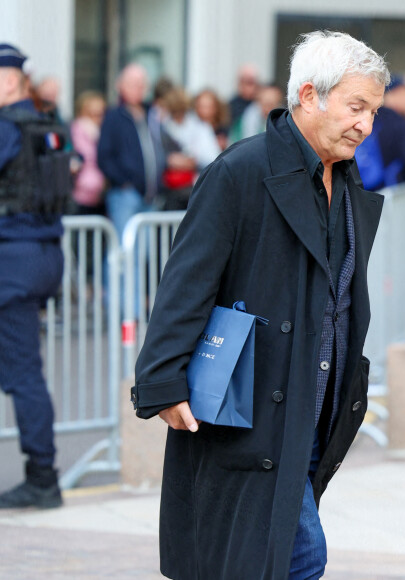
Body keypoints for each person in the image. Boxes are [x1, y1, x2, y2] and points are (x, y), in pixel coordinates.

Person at [131, 30, 388, 579]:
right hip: (253, 405)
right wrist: (162, 379)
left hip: (316, 406)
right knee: (298, 558)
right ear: (310, 96)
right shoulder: (241, 171)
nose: (366, 125)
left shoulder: (345, 180)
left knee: (264, 558)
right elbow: (186, 281)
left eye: (373, 111)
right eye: (357, 106)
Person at [0, 43, 70, 509]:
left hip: (13, 260)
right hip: (44, 255)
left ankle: (42, 477)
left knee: (24, 373)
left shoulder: (6, 127)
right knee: (23, 368)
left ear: (8, 80)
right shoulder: (48, 124)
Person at [97, 63, 159, 238]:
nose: (138, 89)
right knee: (124, 251)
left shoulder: (151, 114)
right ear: (120, 86)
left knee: (143, 251)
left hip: (150, 194)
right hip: (125, 194)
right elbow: (104, 156)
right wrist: (123, 182)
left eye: (141, 84)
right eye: (133, 83)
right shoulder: (114, 116)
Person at [70, 90, 107, 215]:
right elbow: (84, 157)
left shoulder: (103, 132)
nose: (98, 118)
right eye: (94, 113)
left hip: (100, 193)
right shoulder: (78, 131)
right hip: (81, 194)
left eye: (101, 114)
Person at [228, 63, 260, 128]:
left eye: (251, 83)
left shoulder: (261, 105)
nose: (249, 87)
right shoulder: (230, 106)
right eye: (247, 83)